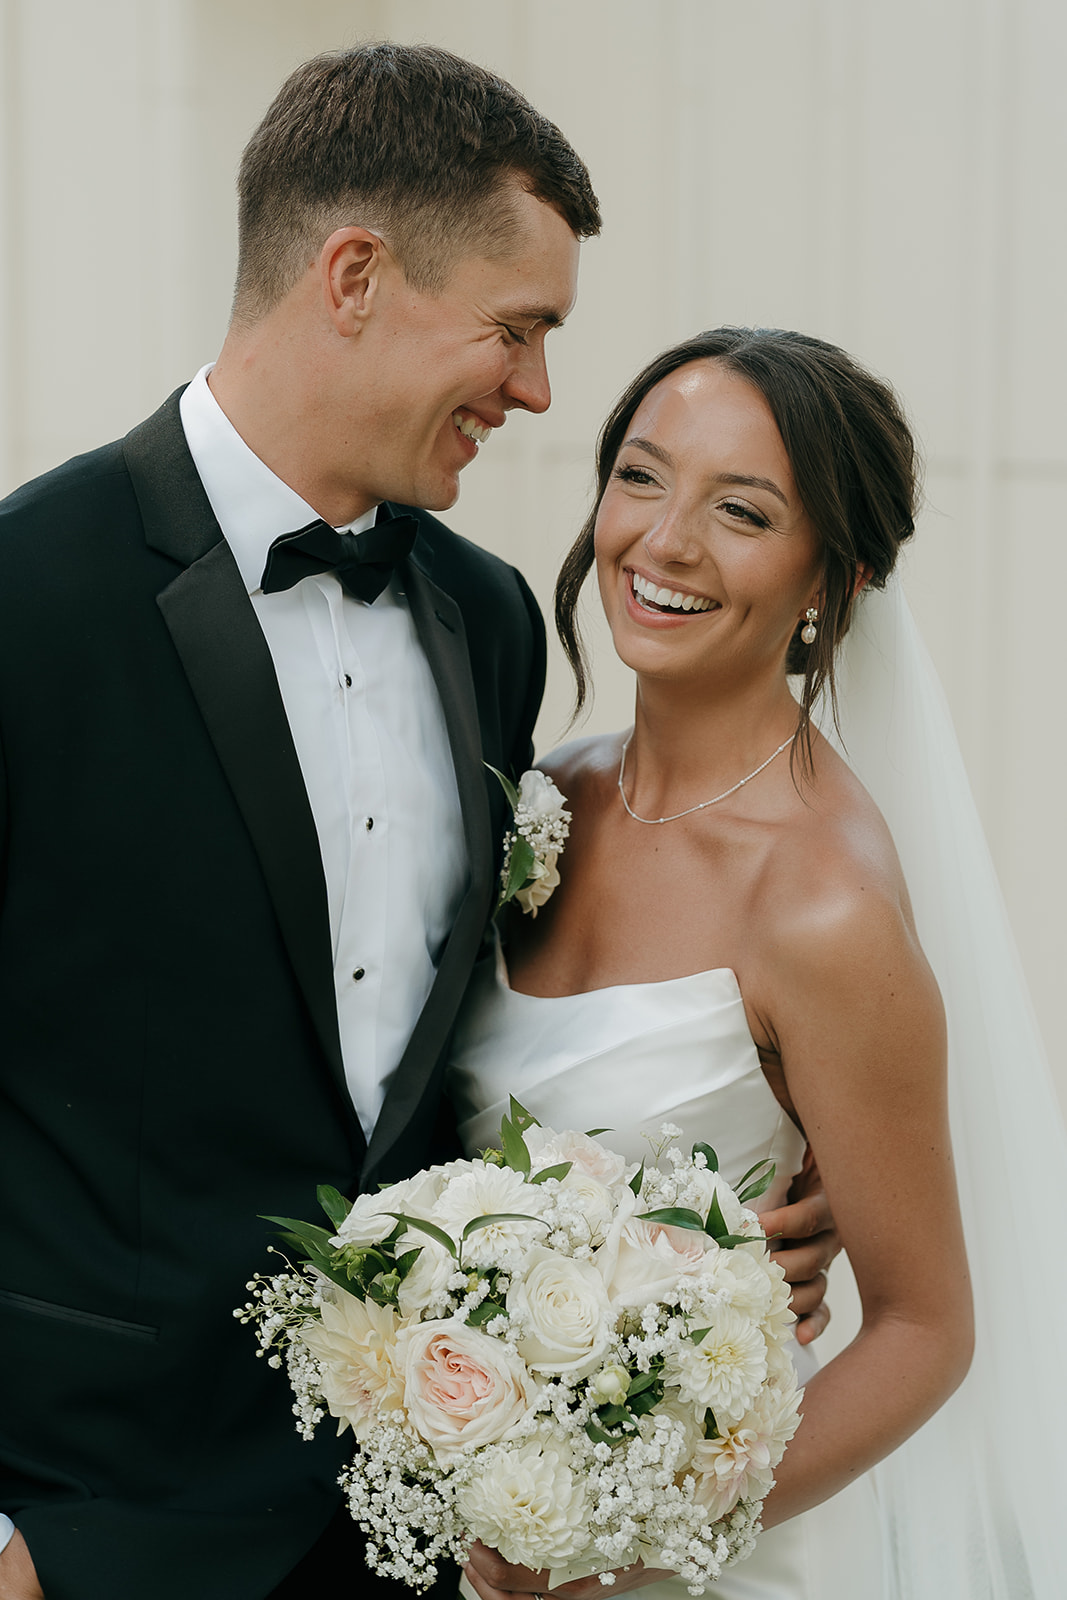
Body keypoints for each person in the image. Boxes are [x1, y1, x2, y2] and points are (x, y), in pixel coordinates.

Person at [0, 50, 834, 1600]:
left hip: (423, 1527)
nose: (533, 392)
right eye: (515, 331)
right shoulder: (24, 597)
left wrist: (694, 1246)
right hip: (88, 1518)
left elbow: (464, 1043)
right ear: (356, 276)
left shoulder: (491, 621)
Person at [450, 327, 985, 1600]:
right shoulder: (542, 798)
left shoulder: (819, 903)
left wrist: (612, 1532)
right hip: (469, 1527)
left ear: (830, 579)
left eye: (739, 511)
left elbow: (923, 1331)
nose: (664, 541)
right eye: (640, 476)